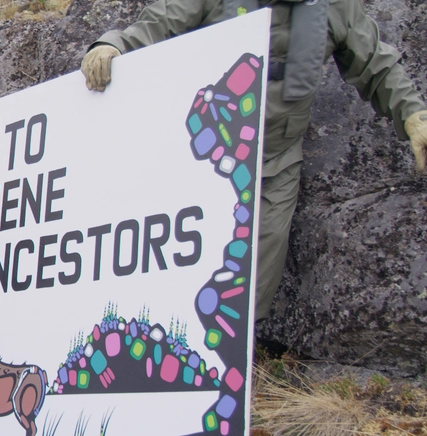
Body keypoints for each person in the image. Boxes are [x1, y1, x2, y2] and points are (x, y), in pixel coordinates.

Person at [80, 0, 427, 321]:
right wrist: (112, 45)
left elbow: (376, 64)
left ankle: (232, 365)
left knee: (258, 268)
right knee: (168, 255)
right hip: (200, 152)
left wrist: (413, 116)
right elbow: (159, 23)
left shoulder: (335, 6)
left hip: (275, 156)